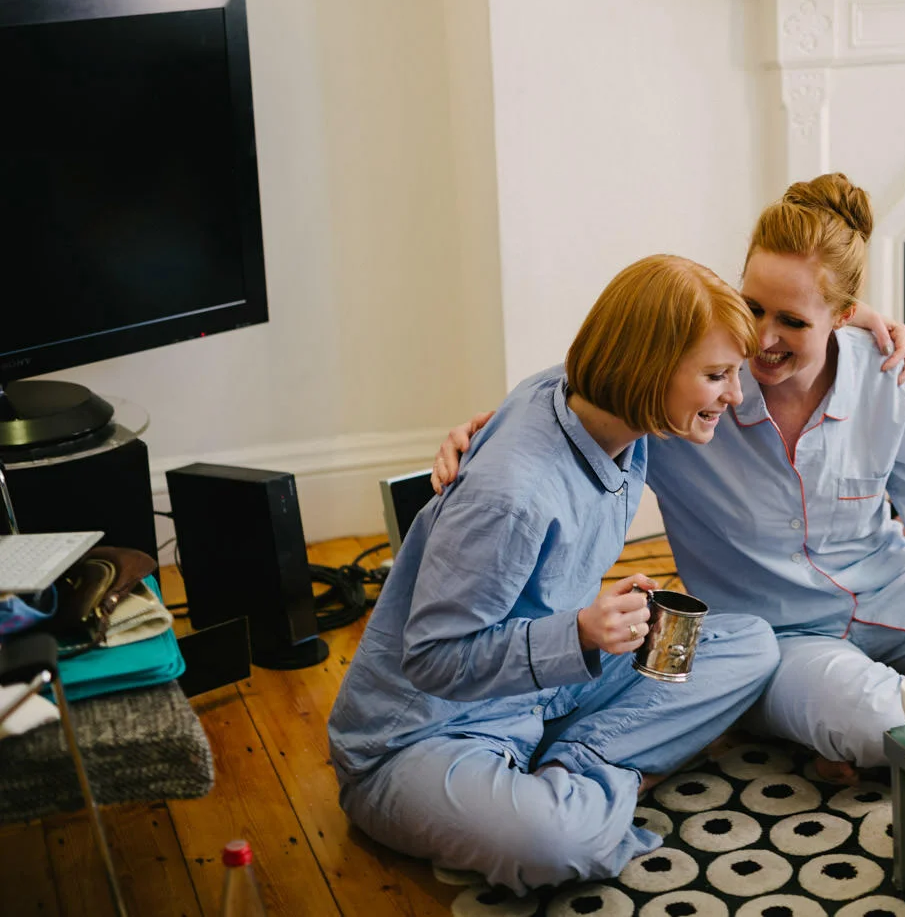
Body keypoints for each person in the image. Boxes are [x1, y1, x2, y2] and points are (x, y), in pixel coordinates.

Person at [433, 174, 905, 774]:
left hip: (900, 596)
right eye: (752, 308)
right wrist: (489, 433)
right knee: (877, 723)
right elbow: (585, 386)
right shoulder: (693, 394)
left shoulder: (892, 381)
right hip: (779, 640)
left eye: (794, 322)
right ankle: (898, 712)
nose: (763, 338)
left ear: (844, 315)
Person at [327, 255, 780, 895]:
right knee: (559, 844)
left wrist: (858, 315)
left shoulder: (593, 400)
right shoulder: (510, 498)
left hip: (546, 692)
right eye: (716, 376)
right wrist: (583, 634)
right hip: (424, 737)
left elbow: (714, 312)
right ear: (649, 369)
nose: (735, 395)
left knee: (752, 646)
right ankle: (594, 782)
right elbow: (430, 659)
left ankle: (568, 766)